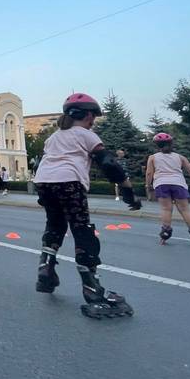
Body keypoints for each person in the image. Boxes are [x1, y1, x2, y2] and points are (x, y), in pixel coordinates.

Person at [33, 93, 141, 319]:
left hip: (43, 182)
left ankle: (46, 268)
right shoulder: (87, 134)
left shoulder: (53, 137)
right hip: (69, 182)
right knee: (82, 230)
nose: (94, 121)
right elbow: (108, 164)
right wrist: (128, 190)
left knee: (55, 225)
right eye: (94, 116)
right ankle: (92, 290)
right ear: (89, 115)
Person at [146, 133, 190, 249]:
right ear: (171, 144)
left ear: (157, 145)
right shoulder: (180, 157)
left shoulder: (153, 157)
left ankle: (165, 234)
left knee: (166, 209)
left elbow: (149, 173)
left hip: (161, 184)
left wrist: (148, 186)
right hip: (179, 184)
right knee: (185, 210)